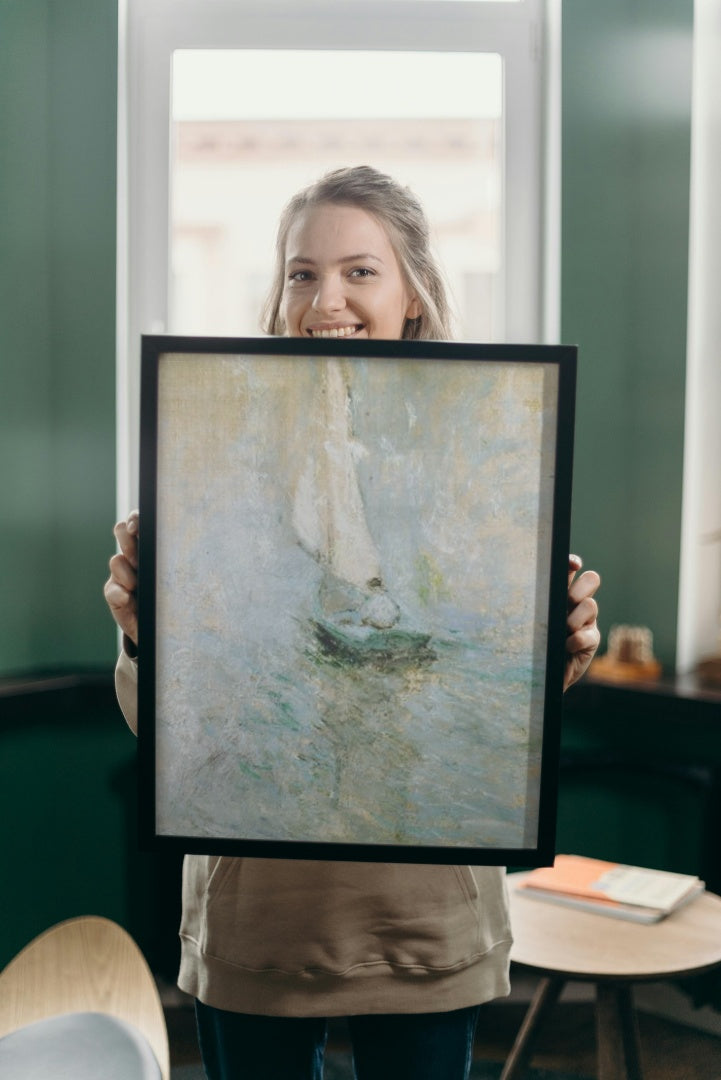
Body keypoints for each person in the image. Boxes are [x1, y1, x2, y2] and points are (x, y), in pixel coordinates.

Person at [105, 166, 601, 1080]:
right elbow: (171, 730)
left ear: (412, 292)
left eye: (359, 271)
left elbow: (495, 710)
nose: (324, 298)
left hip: (424, 918)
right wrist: (145, 638)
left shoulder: (486, 445)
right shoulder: (210, 452)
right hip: (257, 920)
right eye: (301, 273)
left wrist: (555, 651)